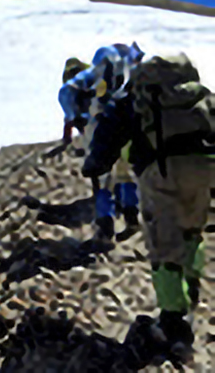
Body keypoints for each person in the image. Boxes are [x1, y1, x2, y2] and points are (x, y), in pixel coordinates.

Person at [82, 52, 215, 367]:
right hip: (205, 169)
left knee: (162, 242)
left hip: (161, 170)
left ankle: (172, 321)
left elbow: (111, 127)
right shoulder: (198, 94)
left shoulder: (139, 95)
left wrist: (96, 163)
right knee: (191, 230)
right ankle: (190, 285)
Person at [58, 43, 144, 242]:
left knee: (102, 179)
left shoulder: (88, 79)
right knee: (124, 173)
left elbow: (67, 94)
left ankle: (106, 226)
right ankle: (131, 217)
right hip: (124, 127)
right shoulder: (126, 76)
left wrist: (75, 116)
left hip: (97, 130)